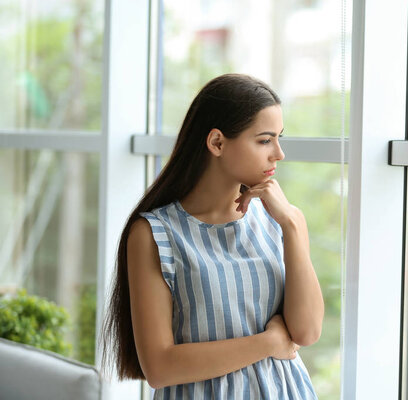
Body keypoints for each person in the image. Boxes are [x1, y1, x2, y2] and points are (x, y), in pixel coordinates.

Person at [102, 73, 324, 399]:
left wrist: (291, 223)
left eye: (279, 138)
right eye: (264, 140)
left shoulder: (284, 221)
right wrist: (268, 343)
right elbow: (160, 368)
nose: (278, 153)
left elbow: (306, 331)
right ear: (217, 142)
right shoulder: (153, 234)